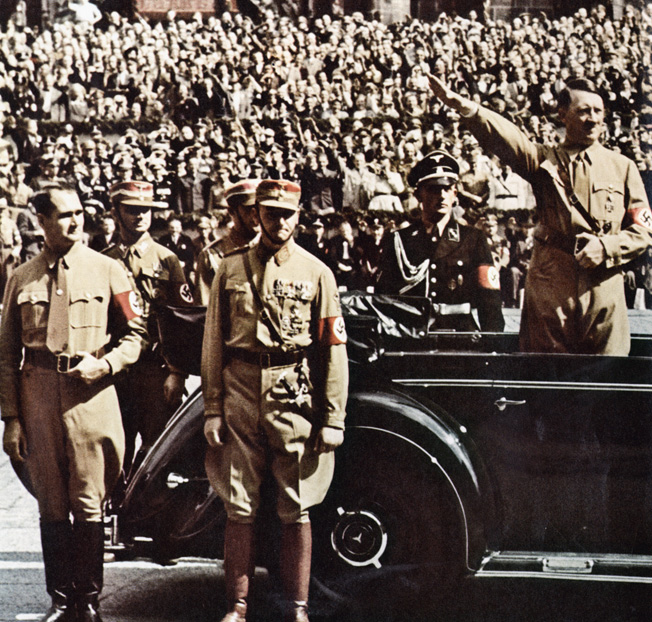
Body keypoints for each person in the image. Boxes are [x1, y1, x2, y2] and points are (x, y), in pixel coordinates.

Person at [201, 179, 348, 622]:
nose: (278, 221)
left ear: (299, 216)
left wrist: (333, 417)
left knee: (296, 502)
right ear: (255, 214)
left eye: (287, 213)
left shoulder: (316, 272)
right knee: (239, 502)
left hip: (292, 391)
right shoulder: (229, 269)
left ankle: (298, 608)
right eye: (270, 212)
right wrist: (212, 406)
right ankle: (237, 607)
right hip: (241, 386)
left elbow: (332, 349)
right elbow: (213, 343)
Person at [0, 184, 147, 622]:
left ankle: (88, 602)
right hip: (38, 392)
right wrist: (11, 418)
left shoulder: (107, 269)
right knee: (50, 500)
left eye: (80, 212)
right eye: (64, 215)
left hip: (91, 396)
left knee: (88, 499)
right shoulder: (21, 277)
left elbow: (137, 335)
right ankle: (60, 600)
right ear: (42, 221)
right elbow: (6, 353)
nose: (76, 220)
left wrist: (106, 367)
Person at [430, 75, 652, 354]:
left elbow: (643, 232)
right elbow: (509, 140)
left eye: (598, 111)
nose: (592, 119)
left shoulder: (623, 167)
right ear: (563, 115)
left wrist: (606, 247)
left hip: (604, 287)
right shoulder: (544, 160)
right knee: (547, 375)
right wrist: (467, 109)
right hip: (551, 285)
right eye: (583, 111)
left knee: (606, 376)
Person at [104, 181, 193, 475]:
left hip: (156, 371)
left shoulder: (167, 260)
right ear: (116, 212)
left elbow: (185, 320)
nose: (141, 216)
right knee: (116, 451)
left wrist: (178, 373)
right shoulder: (102, 261)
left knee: (160, 455)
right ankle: (115, 513)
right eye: (132, 210)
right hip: (116, 372)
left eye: (146, 210)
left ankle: (153, 518)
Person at [376, 150, 505, 332]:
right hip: (411, 336)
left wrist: (492, 347)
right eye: (434, 189)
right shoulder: (399, 241)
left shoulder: (473, 239)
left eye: (447, 189)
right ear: (418, 194)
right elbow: (383, 299)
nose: (442, 195)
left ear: (455, 194)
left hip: (460, 336)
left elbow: (489, 301)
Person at [194, 179, 261, 306]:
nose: (255, 215)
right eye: (248, 209)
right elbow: (204, 311)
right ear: (232, 212)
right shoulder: (212, 256)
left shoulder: (273, 250)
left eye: (259, 209)